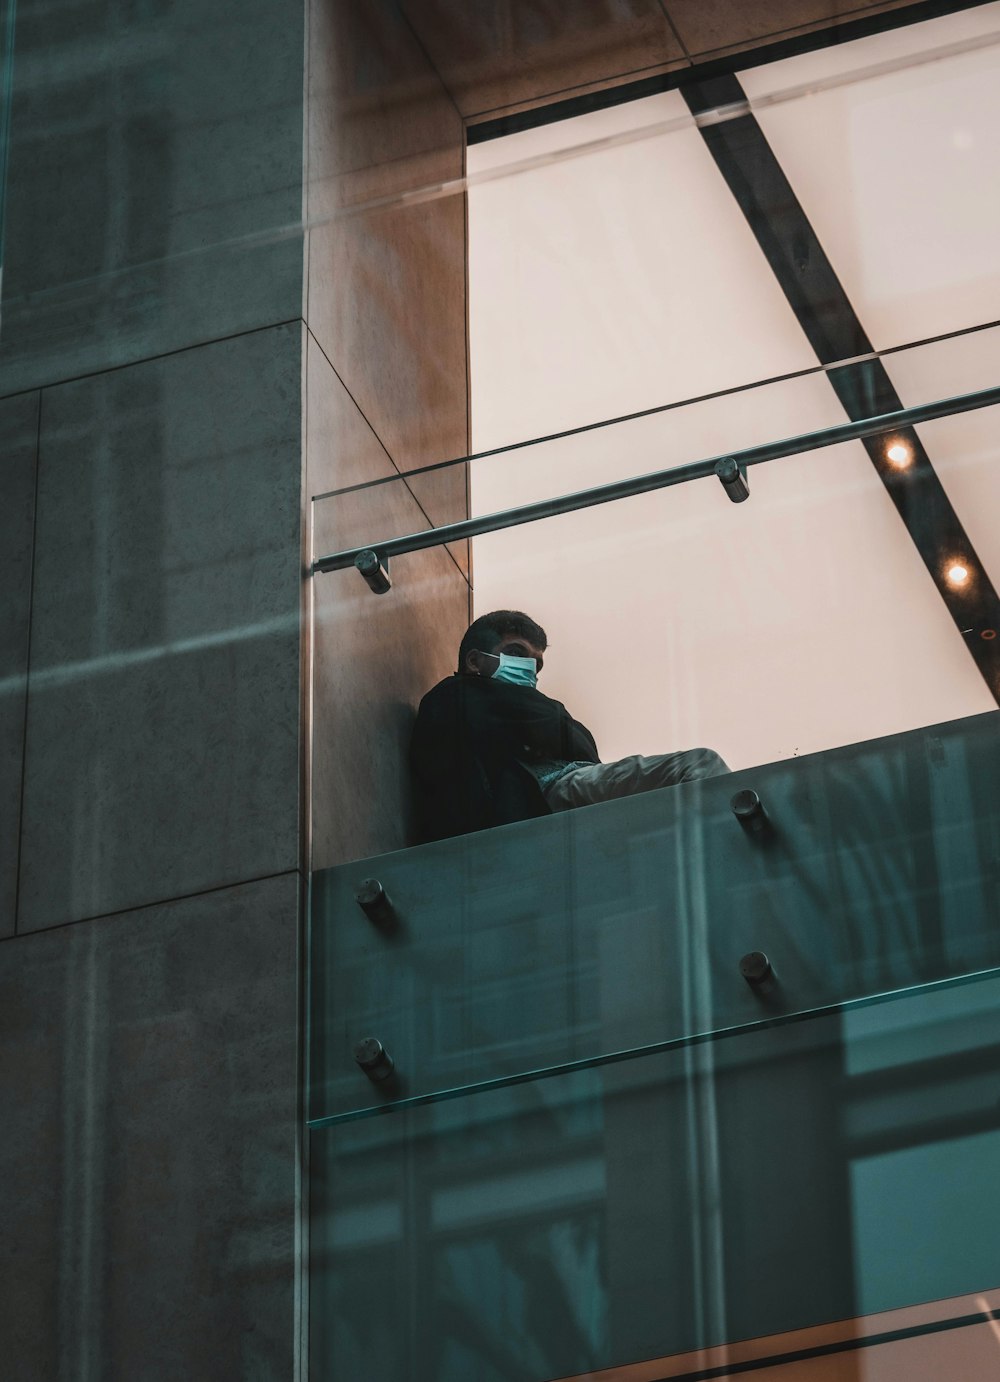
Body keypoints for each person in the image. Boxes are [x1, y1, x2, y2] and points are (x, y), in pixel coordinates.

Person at [410, 609, 729, 842]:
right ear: (474, 661)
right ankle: (735, 852)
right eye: (516, 653)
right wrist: (548, 717)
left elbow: (579, 741)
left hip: (564, 787)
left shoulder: (508, 703)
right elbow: (554, 725)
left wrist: (548, 720)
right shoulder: (453, 696)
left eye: (537, 662)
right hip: (548, 792)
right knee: (699, 764)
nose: (530, 668)